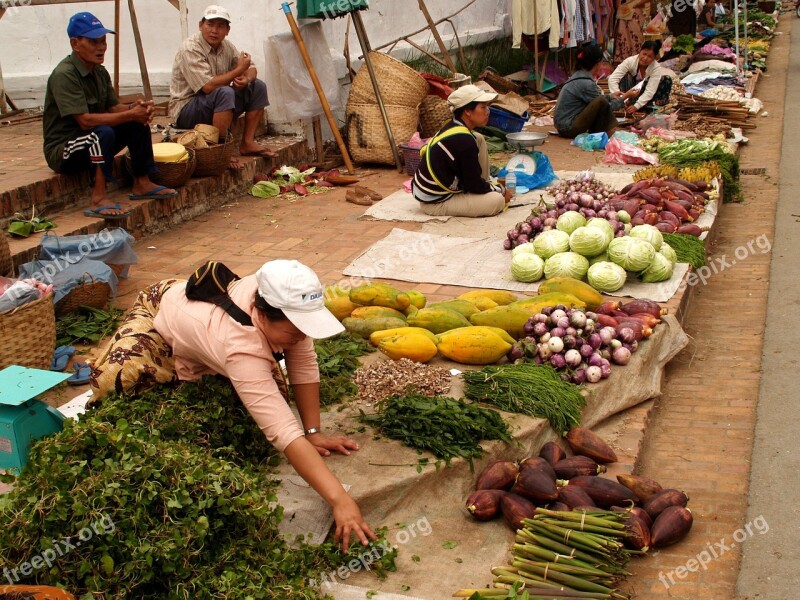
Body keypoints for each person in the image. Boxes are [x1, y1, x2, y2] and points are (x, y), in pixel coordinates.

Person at [150, 260, 376, 551]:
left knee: (271, 389)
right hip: (160, 304)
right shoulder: (240, 346)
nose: (302, 338)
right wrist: (340, 500)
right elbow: (281, 430)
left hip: (197, 310)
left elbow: (304, 362)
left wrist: (313, 432)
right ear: (262, 315)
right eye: (294, 332)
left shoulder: (279, 299)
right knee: (122, 376)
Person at [43, 12, 177, 221]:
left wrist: (137, 109)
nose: (101, 47)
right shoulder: (64, 74)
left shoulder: (99, 72)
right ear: (75, 44)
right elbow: (85, 121)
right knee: (101, 133)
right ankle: (98, 197)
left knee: (135, 122)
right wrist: (130, 113)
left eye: (103, 41)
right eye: (94, 42)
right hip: (62, 150)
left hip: (90, 139)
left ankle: (142, 182)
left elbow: (113, 108)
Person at [169, 5, 275, 168]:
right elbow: (208, 87)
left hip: (212, 102)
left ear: (227, 30)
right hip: (185, 109)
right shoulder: (190, 48)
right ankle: (221, 151)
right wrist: (239, 70)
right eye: (210, 24)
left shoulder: (226, 46)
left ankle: (247, 143)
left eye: (220, 26)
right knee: (224, 92)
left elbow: (251, 67)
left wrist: (246, 78)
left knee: (257, 86)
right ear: (200, 25)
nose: (214, 30)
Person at [411, 85, 510, 218]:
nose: (488, 111)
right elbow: (472, 185)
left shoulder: (453, 125)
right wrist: (501, 190)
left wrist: (487, 186)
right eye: (483, 107)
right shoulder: (465, 142)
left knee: (479, 138)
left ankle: (485, 185)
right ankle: (486, 190)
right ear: (468, 111)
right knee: (497, 201)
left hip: (432, 189)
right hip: (435, 201)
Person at [554, 46, 624, 138]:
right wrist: (624, 97)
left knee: (600, 101)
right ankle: (609, 131)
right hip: (568, 129)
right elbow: (604, 106)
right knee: (600, 102)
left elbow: (593, 100)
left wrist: (610, 96)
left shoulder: (578, 76)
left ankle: (607, 130)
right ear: (598, 62)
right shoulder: (586, 83)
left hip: (563, 127)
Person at [608, 40, 674, 115]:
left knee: (666, 79)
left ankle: (647, 108)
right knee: (625, 75)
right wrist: (620, 98)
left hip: (644, 96)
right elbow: (613, 78)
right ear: (640, 51)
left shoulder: (656, 68)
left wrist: (637, 106)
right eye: (644, 54)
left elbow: (650, 91)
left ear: (654, 58)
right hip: (628, 93)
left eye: (649, 56)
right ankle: (626, 104)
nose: (645, 58)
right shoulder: (630, 61)